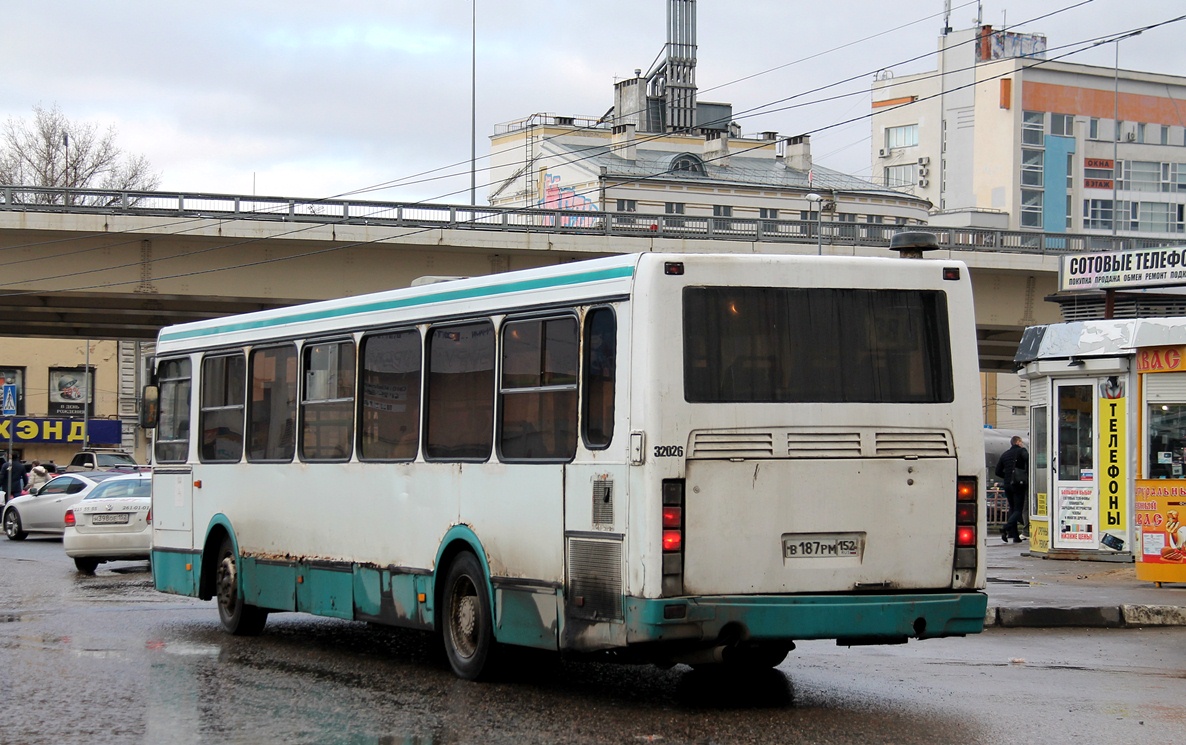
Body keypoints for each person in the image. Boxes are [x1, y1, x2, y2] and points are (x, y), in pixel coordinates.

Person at [995, 435, 1029, 543]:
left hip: (1007, 485)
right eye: (1021, 441)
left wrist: (1007, 476)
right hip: (1018, 484)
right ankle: (1005, 528)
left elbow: (997, 471)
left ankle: (1015, 536)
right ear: (1018, 442)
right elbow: (1028, 459)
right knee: (1018, 509)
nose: (1022, 443)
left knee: (1012, 509)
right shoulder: (1021, 451)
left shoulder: (1005, 454)